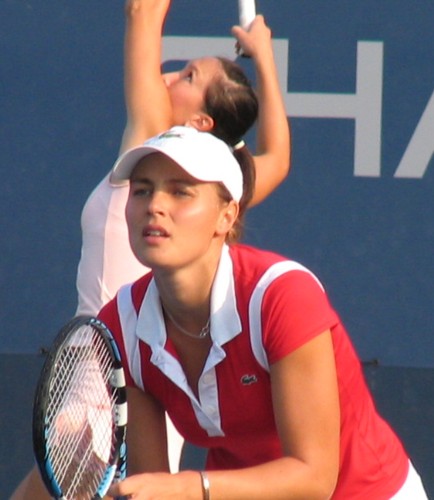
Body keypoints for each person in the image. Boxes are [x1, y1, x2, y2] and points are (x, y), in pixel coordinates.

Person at [10, 1, 290, 497]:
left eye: (187, 76)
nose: (168, 73)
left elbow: (143, 11)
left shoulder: (151, 139)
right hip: (154, 381)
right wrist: (263, 56)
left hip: (103, 378)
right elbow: (278, 158)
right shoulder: (217, 191)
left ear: (201, 123)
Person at [92, 126, 426, 499]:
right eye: (142, 190)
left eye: (180, 191)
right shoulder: (120, 325)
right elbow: (153, 484)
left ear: (226, 216)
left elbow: (314, 478)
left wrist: (191, 487)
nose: (155, 205)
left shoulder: (282, 297)